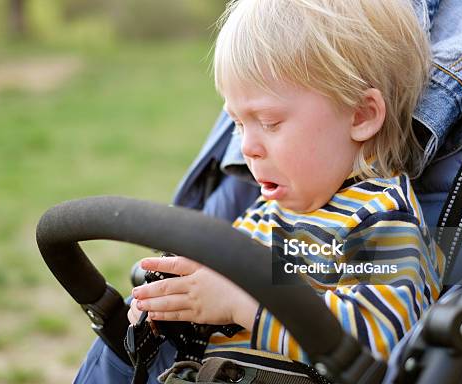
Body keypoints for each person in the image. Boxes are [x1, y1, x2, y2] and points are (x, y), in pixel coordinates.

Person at [118, 0, 445, 381]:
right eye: (239, 124)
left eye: (270, 122)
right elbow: (218, 302)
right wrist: (173, 307)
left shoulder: (382, 218)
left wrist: (244, 306)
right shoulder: (265, 212)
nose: (246, 147)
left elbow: (378, 342)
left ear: (361, 115)